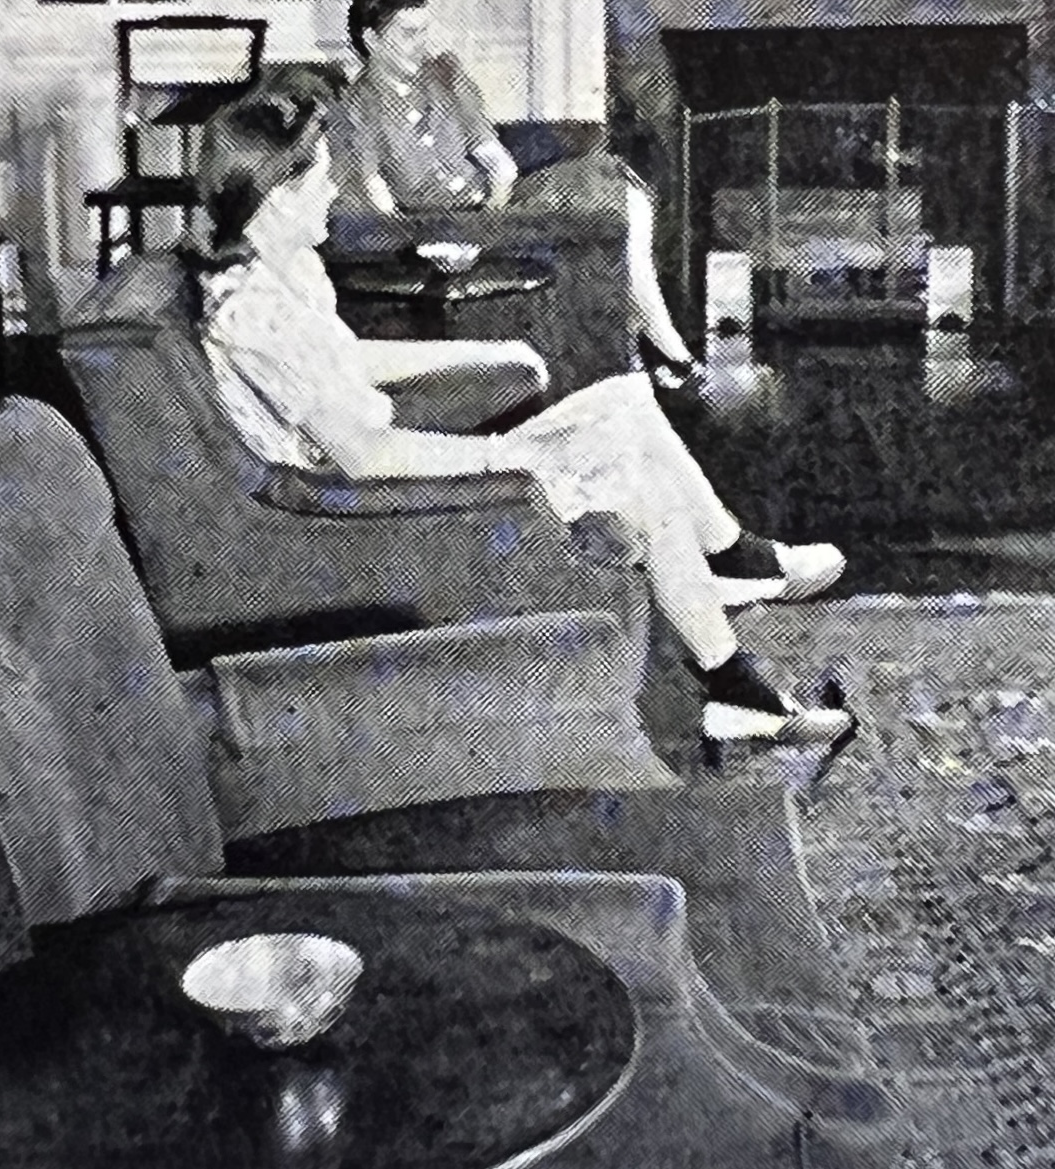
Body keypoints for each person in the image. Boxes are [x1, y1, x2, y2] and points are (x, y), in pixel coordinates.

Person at [186, 85, 855, 752]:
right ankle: (736, 688)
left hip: (386, 475)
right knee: (632, 481)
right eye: (322, 179)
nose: (336, 190)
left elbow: (345, 357)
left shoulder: (286, 269)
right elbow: (364, 456)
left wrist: (482, 348)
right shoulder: (254, 316)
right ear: (276, 197)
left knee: (624, 400)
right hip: (369, 514)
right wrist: (511, 456)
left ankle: (729, 561)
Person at [329, 0, 702, 386]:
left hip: (499, 208)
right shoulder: (355, 108)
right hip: (433, 225)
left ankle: (650, 339)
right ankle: (660, 350)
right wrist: (421, 243)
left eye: (424, 32)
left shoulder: (445, 74)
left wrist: (488, 227)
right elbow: (375, 195)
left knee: (622, 195)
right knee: (602, 218)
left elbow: (500, 166)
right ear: (371, 41)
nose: (422, 46)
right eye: (408, 35)